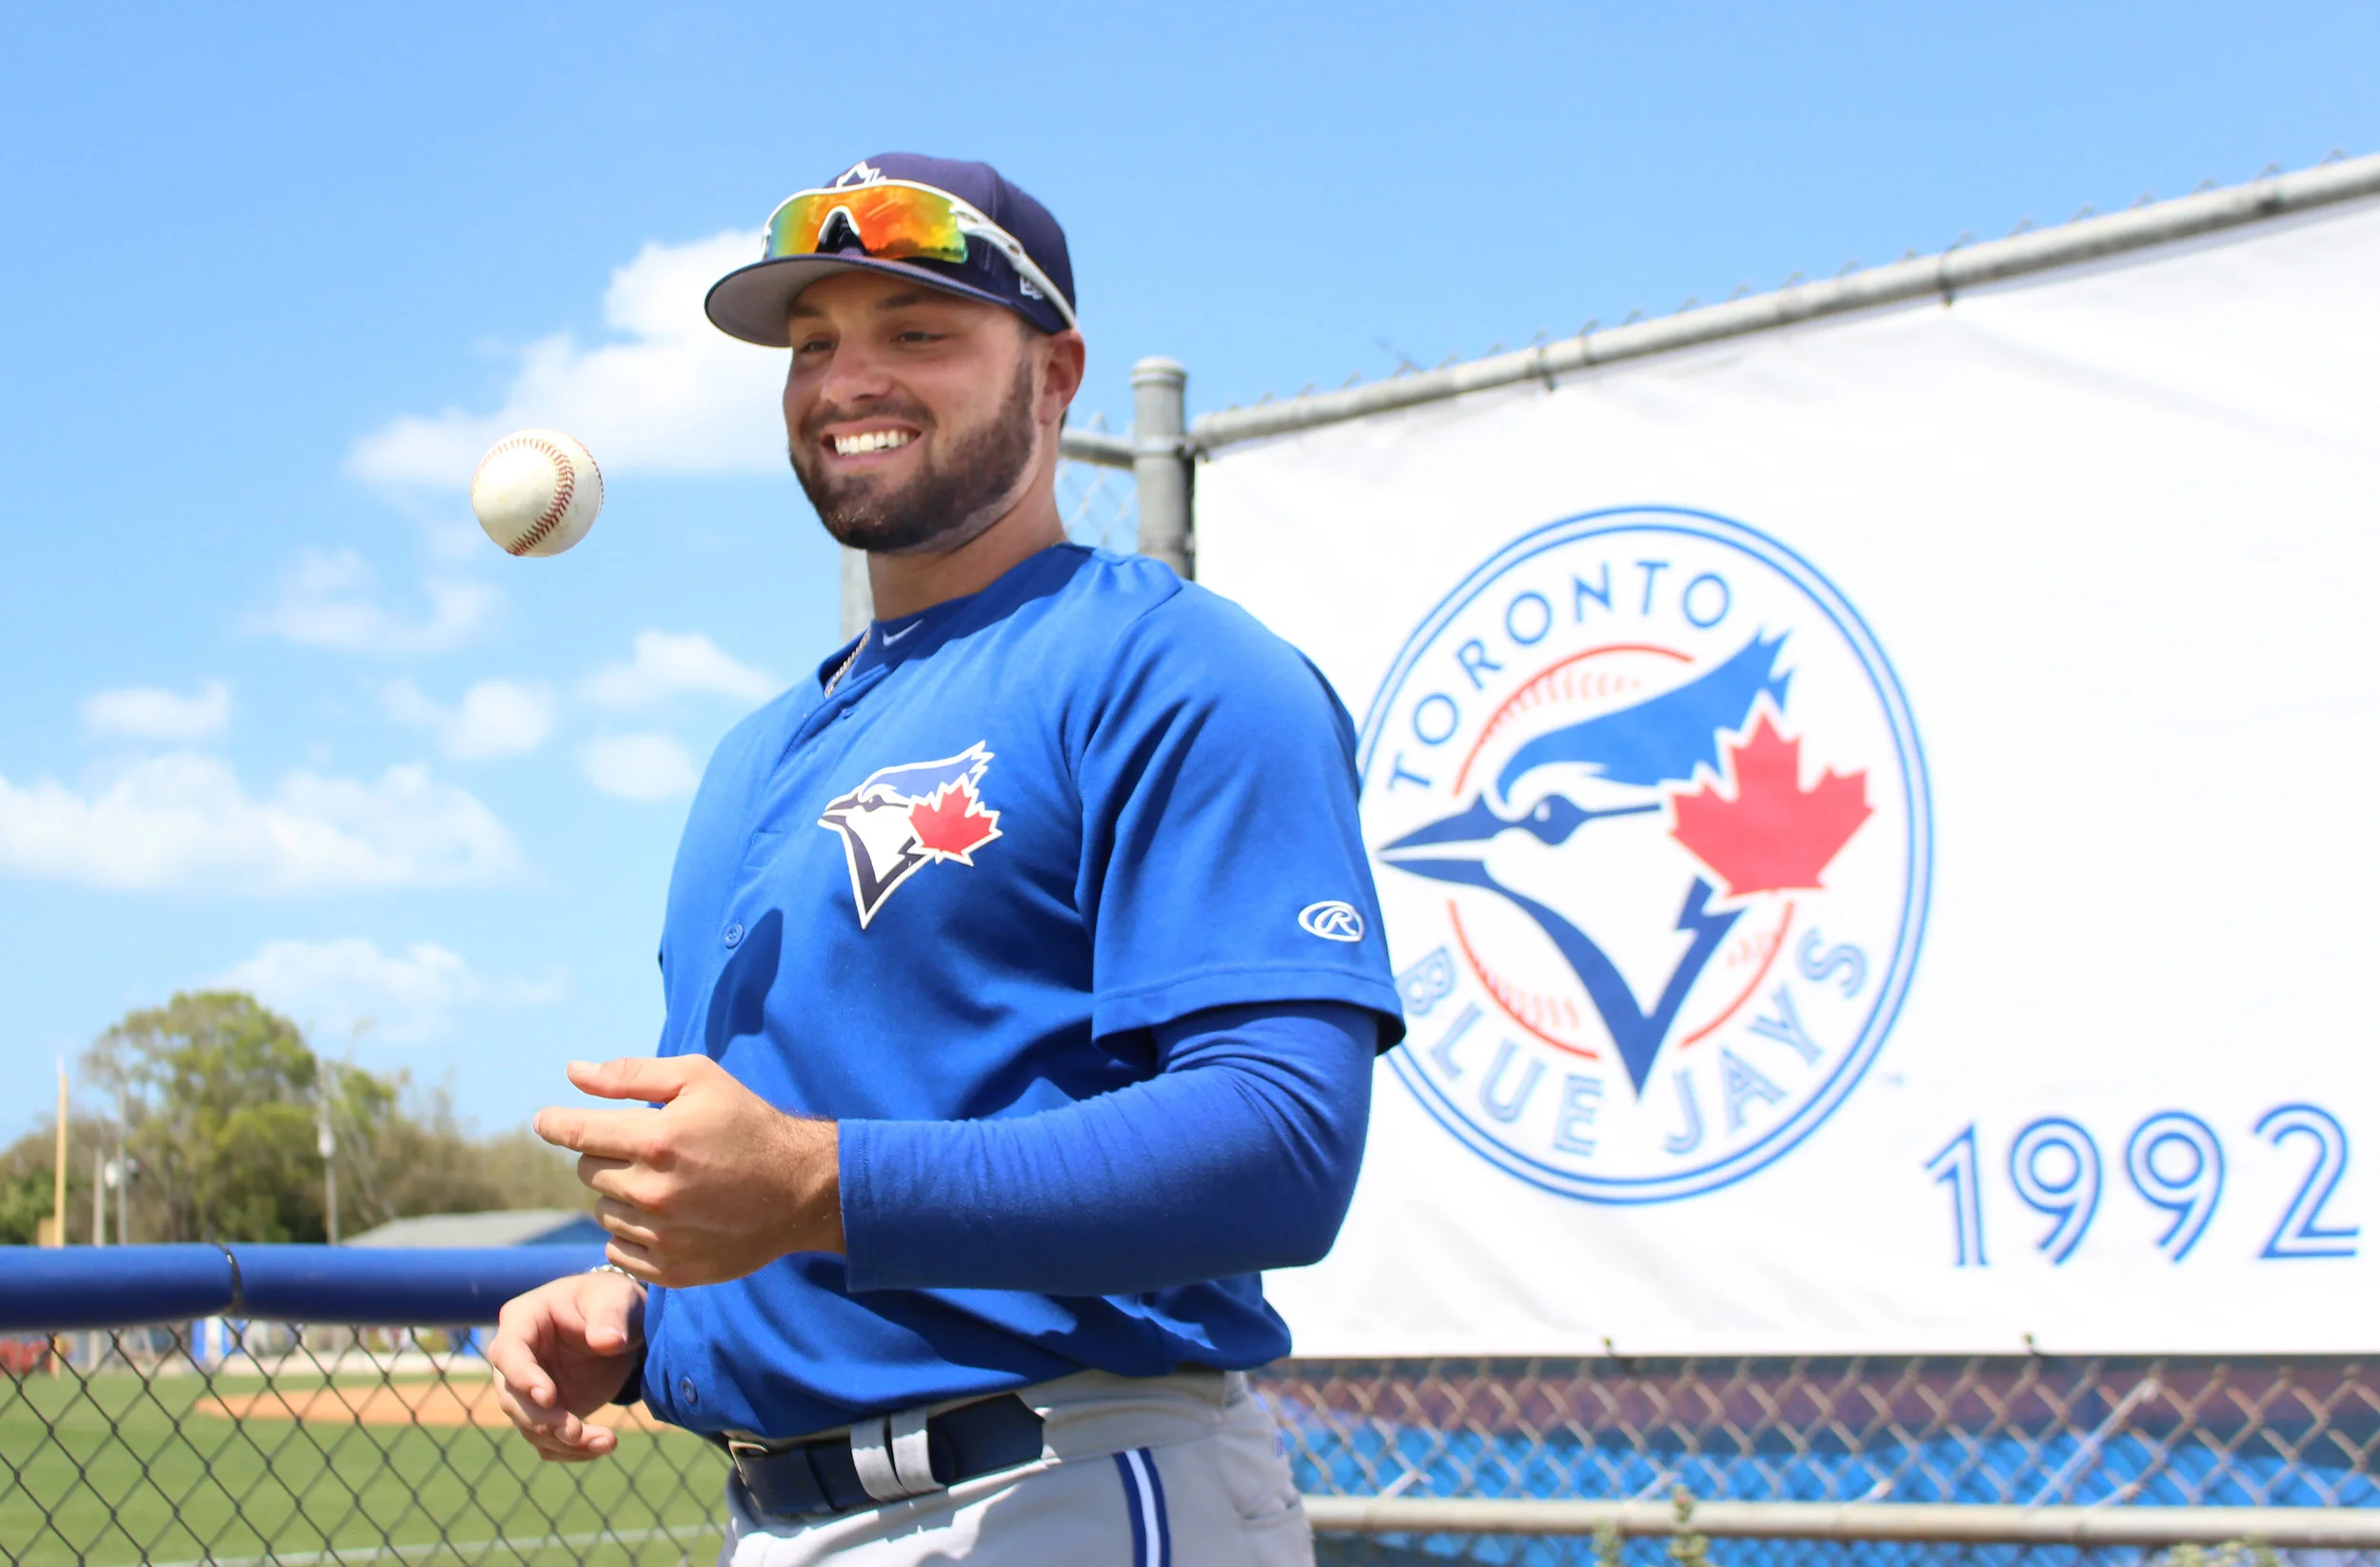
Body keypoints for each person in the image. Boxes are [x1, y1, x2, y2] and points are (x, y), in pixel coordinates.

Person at [486, 152, 1401, 1566]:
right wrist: (646, 1306)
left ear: (1054, 374)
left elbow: (1282, 1141)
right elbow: (836, 1134)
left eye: (916, 331)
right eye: (812, 344)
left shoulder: (1173, 668)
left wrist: (813, 1186)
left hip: (1064, 1485)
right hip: (777, 1515)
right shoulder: (757, 753)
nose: (847, 379)